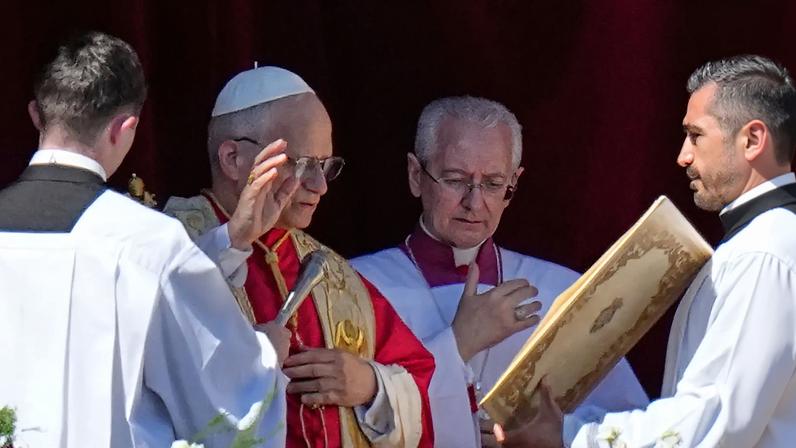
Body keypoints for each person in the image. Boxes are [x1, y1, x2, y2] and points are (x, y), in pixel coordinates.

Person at [0, 32, 291, 447]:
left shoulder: (145, 247)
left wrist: (231, 240)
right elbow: (230, 407)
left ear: (36, 115)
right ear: (125, 128)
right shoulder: (147, 244)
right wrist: (264, 356)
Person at [499, 55, 796, 448]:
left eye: (696, 135)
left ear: (753, 139)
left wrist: (570, 436)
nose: (683, 156)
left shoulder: (765, 251)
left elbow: (714, 419)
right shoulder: (763, 243)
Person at [350, 96, 649, 447]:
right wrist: (457, 343)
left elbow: (630, 426)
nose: (475, 203)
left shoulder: (561, 292)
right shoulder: (355, 288)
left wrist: (553, 435)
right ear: (416, 176)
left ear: (514, 183)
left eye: (493, 184)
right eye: (455, 179)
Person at [164, 66, 436, 447]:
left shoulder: (331, 272)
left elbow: (420, 379)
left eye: (326, 165)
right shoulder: (164, 248)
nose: (320, 185)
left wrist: (371, 385)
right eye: (302, 163)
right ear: (231, 158)